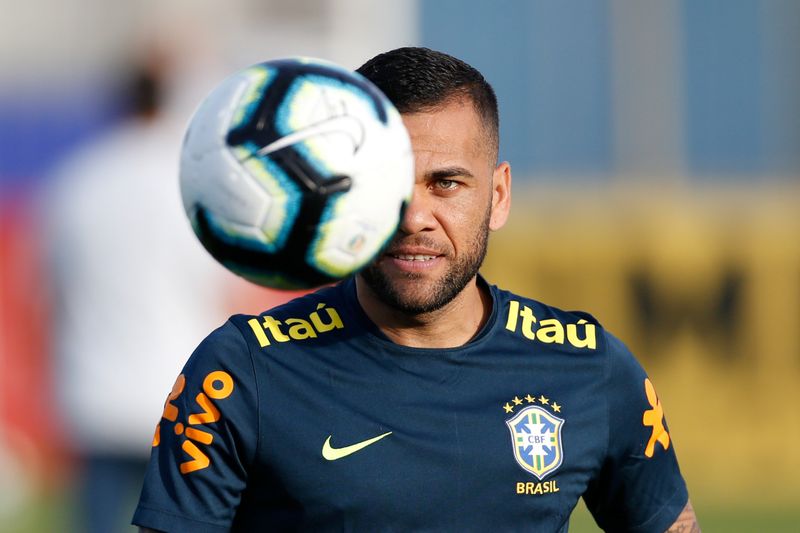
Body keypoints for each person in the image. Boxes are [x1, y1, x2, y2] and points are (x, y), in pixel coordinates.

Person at [133, 47, 699, 532]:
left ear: (498, 196)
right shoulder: (241, 369)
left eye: (446, 183)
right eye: (389, 186)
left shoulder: (587, 366)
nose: (414, 218)